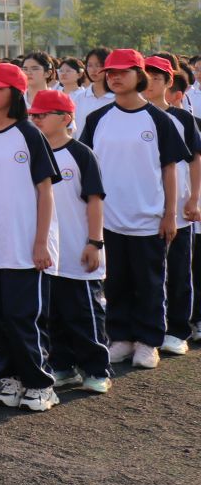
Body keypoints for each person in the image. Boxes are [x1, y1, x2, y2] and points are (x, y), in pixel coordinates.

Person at [80, 49, 186, 371]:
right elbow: (87, 169)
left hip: (148, 219)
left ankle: (148, 341)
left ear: (139, 75)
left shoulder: (159, 119)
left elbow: (169, 169)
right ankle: (121, 337)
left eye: (122, 72)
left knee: (150, 283)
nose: (114, 77)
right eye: (110, 72)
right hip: (109, 218)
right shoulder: (97, 119)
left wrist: (170, 214)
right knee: (116, 282)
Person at [0, 61, 61, 411]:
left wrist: (41, 241)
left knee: (23, 317)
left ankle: (40, 384)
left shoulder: (30, 135)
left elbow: (45, 191)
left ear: (15, 93)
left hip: (22, 244)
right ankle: (13, 377)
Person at [27, 89, 111, 394]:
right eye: (33, 115)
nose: (36, 119)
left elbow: (95, 200)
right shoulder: (33, 153)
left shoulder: (81, 154)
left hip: (78, 250)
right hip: (48, 253)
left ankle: (97, 369)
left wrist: (95, 242)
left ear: (65, 118)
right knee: (53, 316)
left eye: (43, 114)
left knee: (84, 314)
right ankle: (62, 366)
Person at [142, 56, 201, 355]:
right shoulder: (131, 116)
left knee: (178, 270)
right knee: (144, 273)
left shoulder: (183, 119)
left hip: (177, 209)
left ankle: (177, 330)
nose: (150, 83)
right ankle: (143, 330)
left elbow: (195, 160)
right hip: (140, 209)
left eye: (157, 78)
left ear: (169, 82)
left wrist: (193, 198)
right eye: (146, 77)